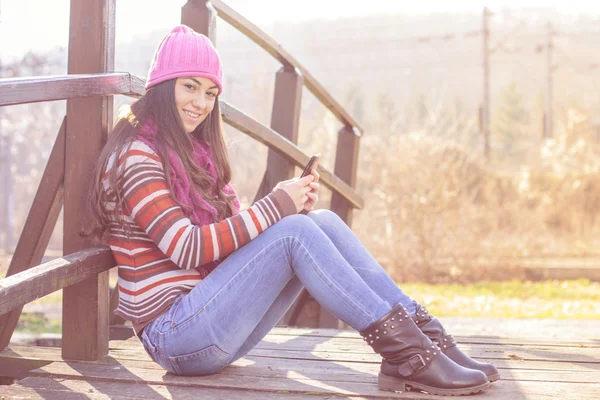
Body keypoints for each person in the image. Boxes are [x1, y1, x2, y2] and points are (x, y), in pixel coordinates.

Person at [88, 25, 498, 396]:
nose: (201, 103)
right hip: (175, 337)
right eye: (189, 87)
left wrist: (287, 208)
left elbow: (233, 242)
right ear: (162, 87)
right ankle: (410, 356)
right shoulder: (137, 156)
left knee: (319, 222)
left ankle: (426, 344)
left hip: (206, 322)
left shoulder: (193, 155)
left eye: (211, 93)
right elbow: (187, 248)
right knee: (293, 231)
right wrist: (277, 207)